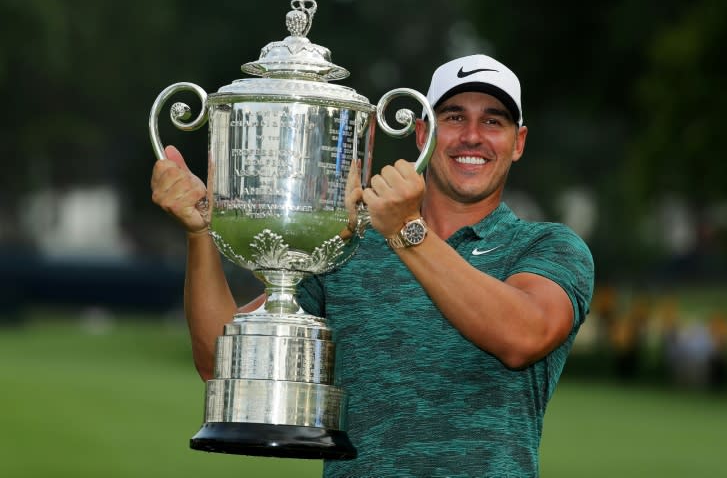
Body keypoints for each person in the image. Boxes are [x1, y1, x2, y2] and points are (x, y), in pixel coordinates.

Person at [151, 54, 594, 477]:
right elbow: (222, 364)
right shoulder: (352, 246)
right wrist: (200, 233)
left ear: (517, 143)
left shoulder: (547, 246)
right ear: (422, 134)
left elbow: (522, 336)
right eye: (454, 117)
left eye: (493, 121)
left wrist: (406, 231)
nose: (472, 136)